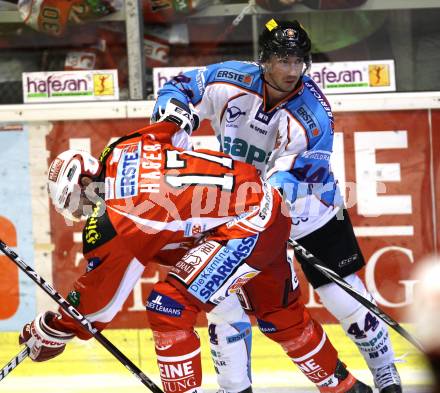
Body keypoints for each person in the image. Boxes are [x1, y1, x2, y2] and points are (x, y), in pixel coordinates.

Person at [19, 120, 371, 393]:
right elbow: (177, 130)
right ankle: (346, 386)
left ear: (83, 181)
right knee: (279, 314)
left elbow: (96, 307)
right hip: (264, 203)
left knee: (167, 306)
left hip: (245, 225)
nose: (82, 213)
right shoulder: (126, 145)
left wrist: (54, 328)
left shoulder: (117, 219)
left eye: (78, 203)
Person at [152, 18, 402, 393]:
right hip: (246, 215)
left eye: (298, 61)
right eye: (282, 60)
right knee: (225, 297)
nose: (291, 70)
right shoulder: (230, 80)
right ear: (264, 60)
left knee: (340, 294)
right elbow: (179, 88)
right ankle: (235, 386)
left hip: (311, 211)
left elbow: (297, 177)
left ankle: (385, 370)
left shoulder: (313, 115)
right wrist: (175, 121)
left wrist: (254, 204)